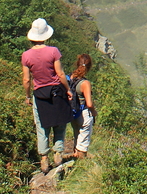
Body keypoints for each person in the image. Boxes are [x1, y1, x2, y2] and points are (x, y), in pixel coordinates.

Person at [21, 18, 73, 173]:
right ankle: (58, 153)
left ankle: (44, 159)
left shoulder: (26, 56)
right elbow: (60, 73)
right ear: (46, 35)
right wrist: (68, 89)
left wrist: (28, 96)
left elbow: (26, 79)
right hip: (56, 91)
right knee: (59, 123)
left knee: (42, 126)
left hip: (40, 94)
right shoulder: (53, 51)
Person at [68, 54, 96, 158]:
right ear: (89, 67)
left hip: (72, 112)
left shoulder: (70, 77)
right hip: (83, 113)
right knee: (83, 143)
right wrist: (94, 112)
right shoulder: (85, 83)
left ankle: (74, 156)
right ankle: (80, 162)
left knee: (77, 135)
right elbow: (89, 103)